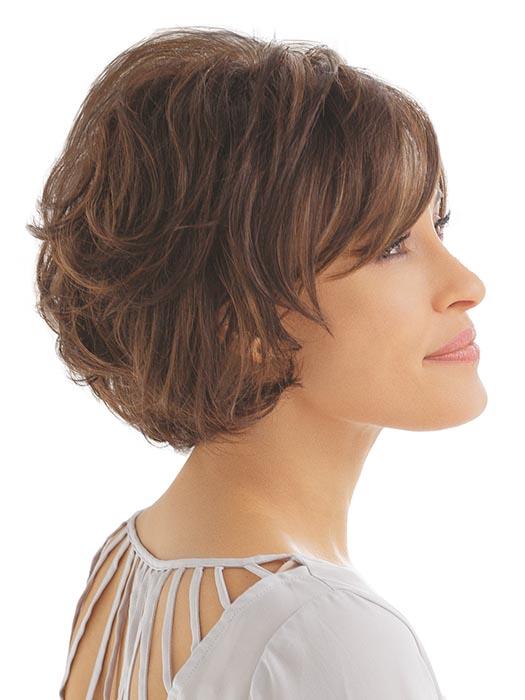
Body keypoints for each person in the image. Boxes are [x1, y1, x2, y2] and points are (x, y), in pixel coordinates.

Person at [27, 26, 486, 699]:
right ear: (243, 322)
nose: (467, 284)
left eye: (435, 227)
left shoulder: (126, 561)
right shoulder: (329, 634)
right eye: (391, 246)